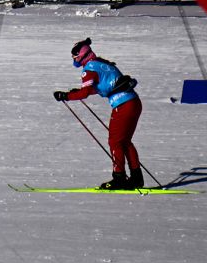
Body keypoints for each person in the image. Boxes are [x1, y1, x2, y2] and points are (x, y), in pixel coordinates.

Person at [53, 37, 143, 190]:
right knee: (125, 141)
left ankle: (119, 178)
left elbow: (85, 93)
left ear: (81, 55)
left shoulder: (89, 69)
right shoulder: (102, 63)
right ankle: (136, 178)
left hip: (122, 105)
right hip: (133, 102)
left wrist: (65, 96)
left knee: (115, 142)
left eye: (75, 56)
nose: (74, 59)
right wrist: (78, 92)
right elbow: (104, 87)